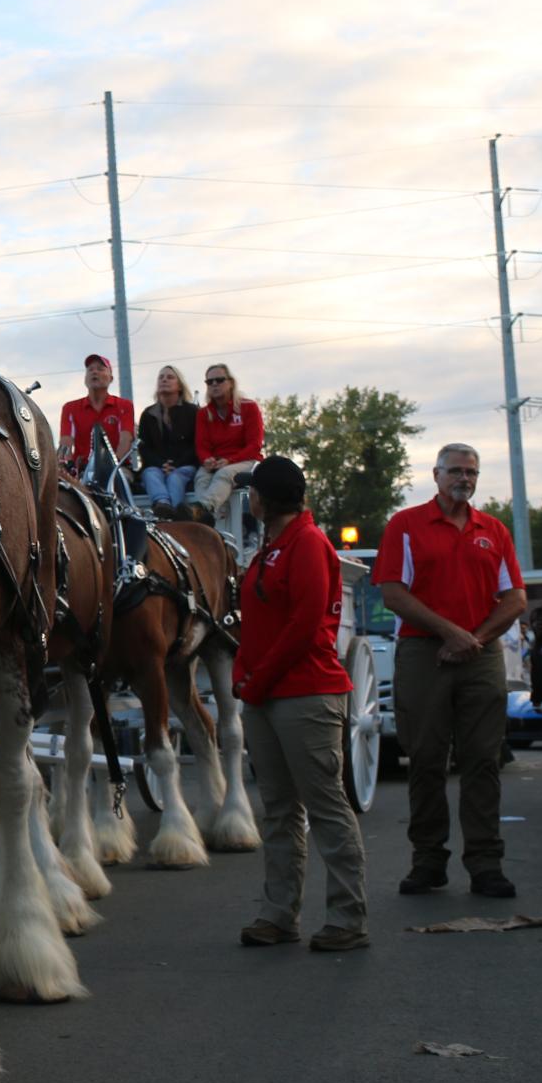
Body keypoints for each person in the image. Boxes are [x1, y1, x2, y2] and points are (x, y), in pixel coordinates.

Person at [372, 442, 526, 898]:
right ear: (436, 475)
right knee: (424, 760)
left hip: (480, 654)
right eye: (456, 471)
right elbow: (393, 593)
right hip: (423, 653)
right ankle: (428, 861)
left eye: (471, 472)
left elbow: (515, 598)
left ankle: (485, 864)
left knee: (483, 760)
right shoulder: (406, 525)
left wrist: (471, 639)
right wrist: (449, 633)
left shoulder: (492, 530)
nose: (464, 479)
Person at [229, 456, 367, 952]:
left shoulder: (308, 544)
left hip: (305, 693)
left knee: (326, 807)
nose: (248, 499)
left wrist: (256, 679)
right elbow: (258, 624)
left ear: (263, 500)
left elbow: (305, 627)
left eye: (252, 493)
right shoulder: (272, 547)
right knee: (279, 809)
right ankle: (278, 912)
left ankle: (348, 917)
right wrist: (243, 672)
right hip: (269, 694)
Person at [190, 362, 263, 526]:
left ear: (231, 382)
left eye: (219, 380)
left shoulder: (248, 407)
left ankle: (203, 510)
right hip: (217, 461)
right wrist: (206, 459)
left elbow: (254, 444)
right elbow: (202, 445)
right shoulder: (204, 413)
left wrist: (230, 460)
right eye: (210, 382)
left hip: (245, 460)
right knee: (201, 477)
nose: (214, 384)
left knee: (224, 474)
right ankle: (207, 522)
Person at [136, 365, 198, 518]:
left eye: (170, 377)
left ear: (180, 386)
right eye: (161, 377)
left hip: (185, 466)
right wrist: (161, 464)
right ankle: (162, 504)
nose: (164, 380)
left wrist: (175, 465)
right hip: (157, 467)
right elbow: (144, 447)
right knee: (150, 473)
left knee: (175, 478)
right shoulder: (148, 414)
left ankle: (176, 513)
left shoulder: (193, 412)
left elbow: (197, 444)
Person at [57, 353, 136, 471]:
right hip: (82, 469)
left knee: (122, 483)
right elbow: (65, 443)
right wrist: (67, 465)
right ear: (85, 379)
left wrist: (114, 465)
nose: (94, 372)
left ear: (111, 378)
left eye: (100, 369)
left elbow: (126, 439)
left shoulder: (124, 406)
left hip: (117, 468)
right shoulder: (70, 408)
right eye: (90, 370)